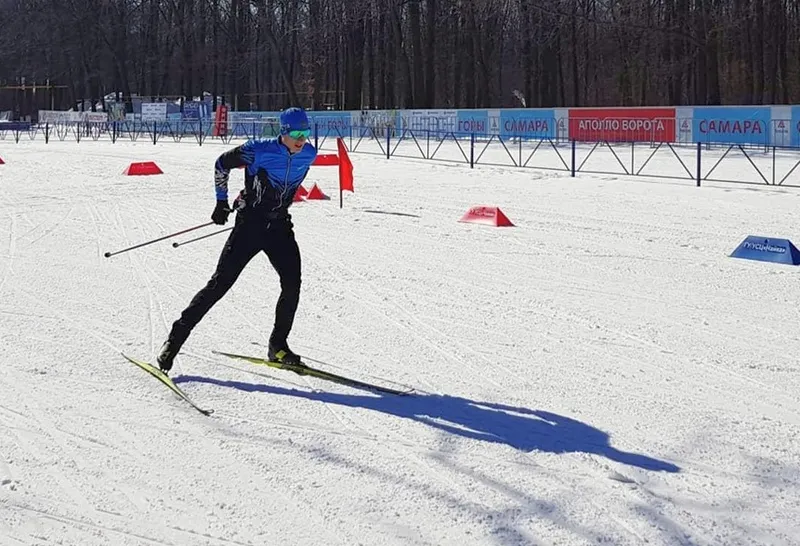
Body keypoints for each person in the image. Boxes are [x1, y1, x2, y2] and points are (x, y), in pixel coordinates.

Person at [156, 106, 318, 374]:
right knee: (220, 284)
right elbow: (221, 163)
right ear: (284, 132)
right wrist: (221, 202)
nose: (303, 139)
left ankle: (278, 346)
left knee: (292, 284)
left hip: (279, 227)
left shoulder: (309, 154)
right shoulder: (258, 150)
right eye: (297, 133)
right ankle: (174, 340)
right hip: (250, 227)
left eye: (306, 132)